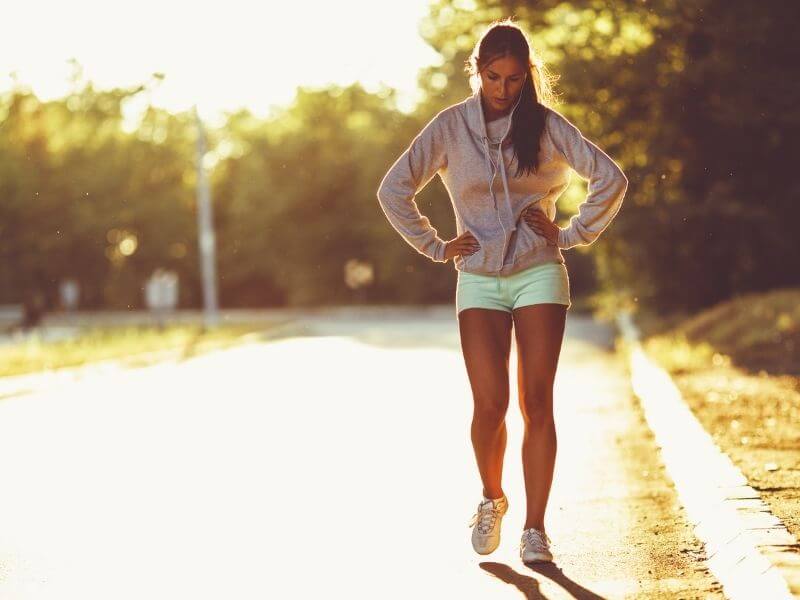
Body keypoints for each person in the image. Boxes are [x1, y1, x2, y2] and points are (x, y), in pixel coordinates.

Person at [376, 18, 628, 564]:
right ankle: (493, 498)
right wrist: (437, 245)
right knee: (490, 404)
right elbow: (393, 189)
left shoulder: (546, 125)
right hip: (478, 278)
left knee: (537, 402)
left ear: (527, 76)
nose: (504, 89)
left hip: (539, 269)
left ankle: (536, 529)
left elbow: (610, 178)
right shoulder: (448, 129)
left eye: (515, 79)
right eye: (494, 77)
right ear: (477, 72)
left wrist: (571, 233)